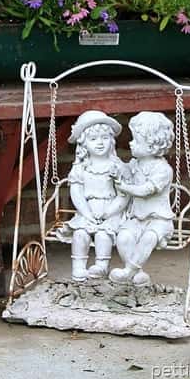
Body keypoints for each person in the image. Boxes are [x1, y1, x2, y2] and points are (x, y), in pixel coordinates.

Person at [57, 110, 130, 281]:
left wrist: (108, 213)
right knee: (80, 234)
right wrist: (87, 214)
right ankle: (78, 267)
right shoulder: (81, 168)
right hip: (87, 210)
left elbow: (124, 194)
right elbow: (76, 194)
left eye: (104, 138)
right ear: (83, 143)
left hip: (111, 211)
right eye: (93, 139)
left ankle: (101, 267)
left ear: (111, 141)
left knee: (102, 234)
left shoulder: (117, 166)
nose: (100, 143)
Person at [110, 111, 175, 287]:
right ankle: (137, 273)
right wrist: (114, 164)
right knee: (123, 237)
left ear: (153, 145)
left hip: (158, 220)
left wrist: (125, 188)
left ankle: (128, 271)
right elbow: (125, 171)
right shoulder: (135, 164)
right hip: (137, 218)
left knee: (148, 238)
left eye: (136, 140)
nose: (131, 143)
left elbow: (145, 190)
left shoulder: (163, 169)